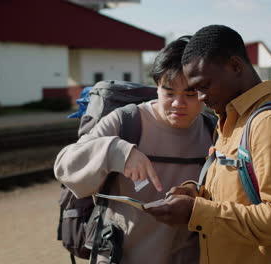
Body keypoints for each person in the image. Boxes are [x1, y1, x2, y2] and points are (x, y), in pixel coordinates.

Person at [146, 25, 271, 263]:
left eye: (204, 86)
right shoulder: (229, 120)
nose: (201, 97)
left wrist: (195, 212)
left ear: (235, 66)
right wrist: (195, 193)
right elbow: (236, 195)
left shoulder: (269, 125)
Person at [54, 36, 213, 264]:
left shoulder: (212, 130)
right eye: (169, 93)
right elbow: (64, 165)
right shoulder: (127, 121)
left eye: (190, 94)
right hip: (121, 256)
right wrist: (117, 150)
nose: (178, 103)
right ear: (157, 86)